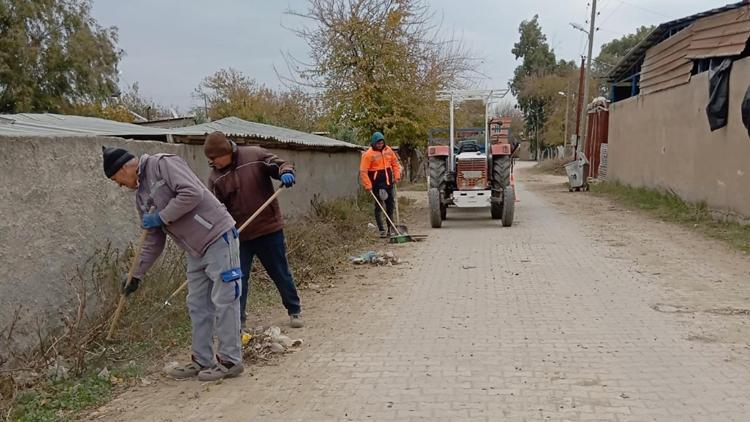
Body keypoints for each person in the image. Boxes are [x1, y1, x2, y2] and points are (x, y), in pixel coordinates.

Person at [102, 146, 243, 381]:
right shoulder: (141, 197)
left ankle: (230, 361)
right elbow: (153, 239)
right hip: (194, 249)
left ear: (126, 167)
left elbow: (192, 193)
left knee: (224, 299)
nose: (119, 185)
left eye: (117, 179)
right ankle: (201, 360)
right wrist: (135, 274)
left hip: (217, 236)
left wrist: (161, 216)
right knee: (197, 305)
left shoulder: (162, 164)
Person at [203, 131, 303, 330]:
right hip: (240, 237)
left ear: (226, 152)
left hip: (269, 229)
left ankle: (294, 310)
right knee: (238, 279)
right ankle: (238, 321)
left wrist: (285, 172)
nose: (212, 163)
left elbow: (281, 164)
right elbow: (216, 210)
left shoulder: (254, 156)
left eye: (215, 159)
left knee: (280, 272)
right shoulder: (215, 179)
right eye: (209, 160)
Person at [359, 131, 401, 237]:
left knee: (390, 206)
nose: (380, 145)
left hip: (388, 183)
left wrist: (396, 176)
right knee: (379, 207)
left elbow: (395, 164)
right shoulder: (368, 155)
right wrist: (368, 185)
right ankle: (382, 230)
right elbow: (363, 171)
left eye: (381, 143)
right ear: (373, 143)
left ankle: (390, 229)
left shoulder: (388, 150)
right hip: (377, 185)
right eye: (378, 143)